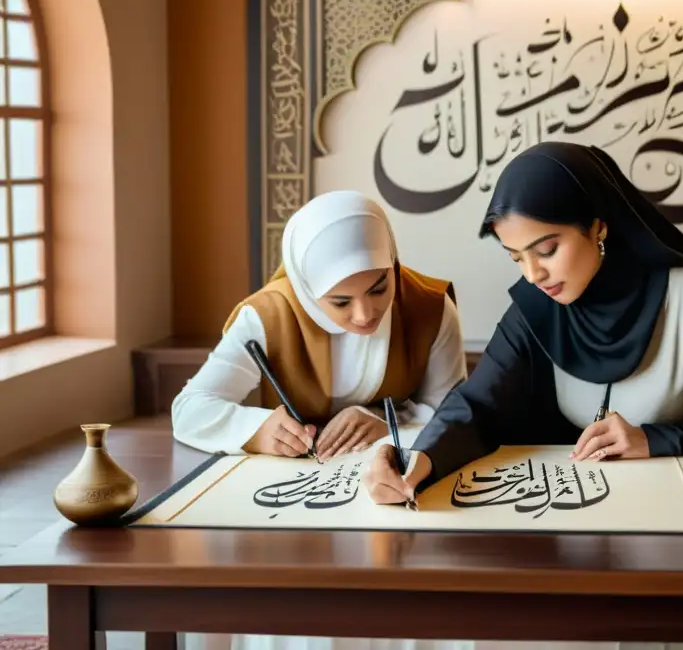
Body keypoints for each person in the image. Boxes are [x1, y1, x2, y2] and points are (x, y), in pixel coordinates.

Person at [364, 142, 683, 505]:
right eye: (516, 258)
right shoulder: (536, 309)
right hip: (579, 521)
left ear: (598, 225)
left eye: (546, 249)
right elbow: (480, 404)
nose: (533, 275)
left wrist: (656, 440)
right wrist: (421, 458)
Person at [171, 190, 467, 461]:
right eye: (341, 302)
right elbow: (189, 411)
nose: (365, 315)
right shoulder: (268, 316)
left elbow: (455, 413)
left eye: (379, 289)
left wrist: (388, 423)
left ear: (393, 262)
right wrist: (256, 430)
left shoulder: (430, 306)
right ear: (306, 289)